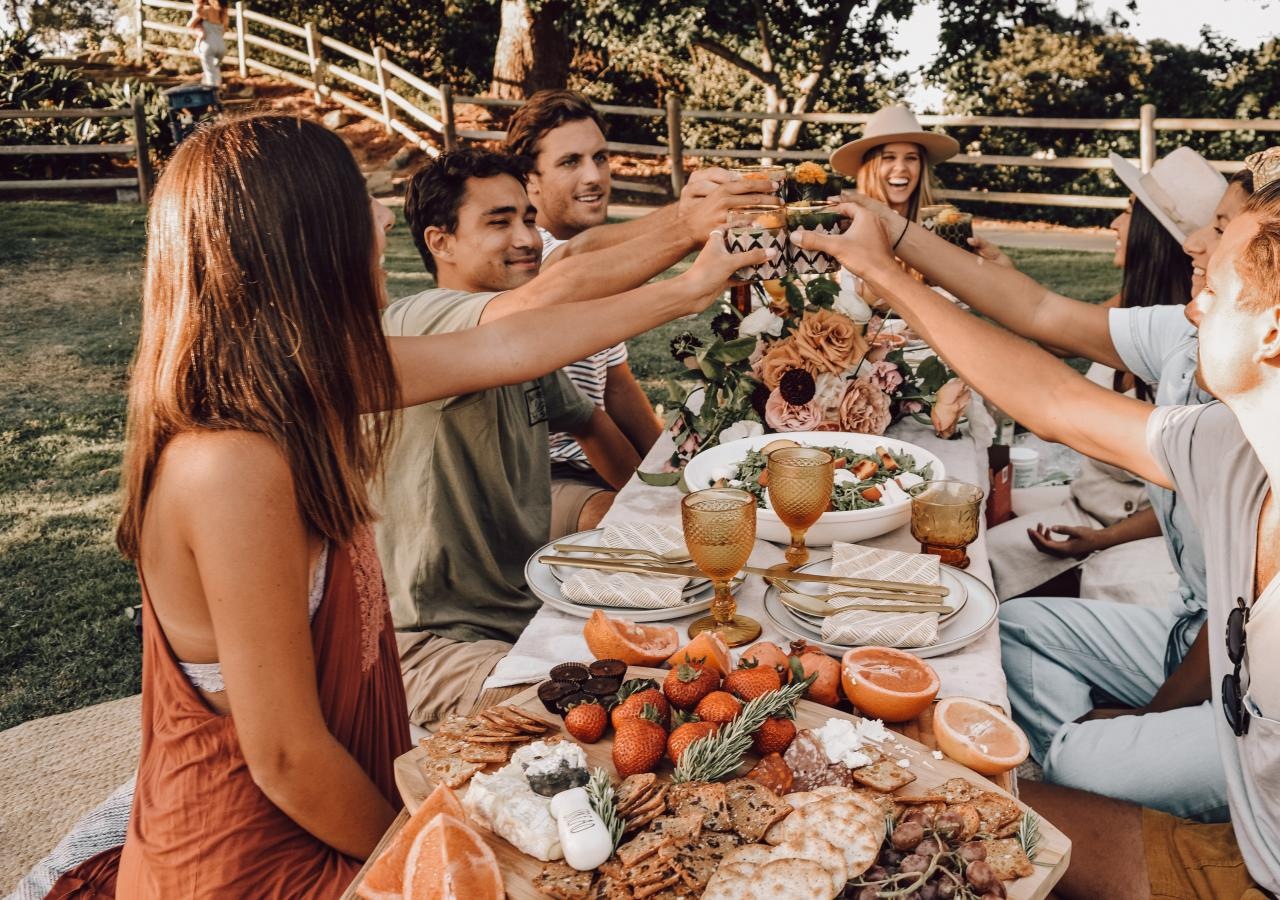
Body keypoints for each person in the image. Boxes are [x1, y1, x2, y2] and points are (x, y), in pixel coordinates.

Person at [52, 113, 762, 898]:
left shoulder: (313, 380)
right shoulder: (227, 466)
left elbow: (511, 348)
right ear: (303, 240)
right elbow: (286, 760)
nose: (386, 218)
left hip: (339, 806)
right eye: (363, 202)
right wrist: (440, 849)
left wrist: (692, 290)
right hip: (257, 859)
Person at [798, 177, 1280, 897]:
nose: (1192, 308)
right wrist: (885, 268)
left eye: (1213, 290)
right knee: (933, 805)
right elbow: (1055, 398)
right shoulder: (1239, 448)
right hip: (1254, 856)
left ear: (1275, 329)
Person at [381, 147, 770, 728]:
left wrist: (654, 511)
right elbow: (551, 290)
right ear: (440, 243)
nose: (526, 239)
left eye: (527, 219)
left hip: (527, 606)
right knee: (622, 716)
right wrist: (689, 254)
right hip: (432, 645)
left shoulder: (526, 346)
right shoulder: (421, 319)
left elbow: (590, 424)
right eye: (498, 222)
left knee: (716, 635)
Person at [986, 147, 1224, 606]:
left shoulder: (1192, 348)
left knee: (978, 571)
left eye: (1128, 212)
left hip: (1130, 537)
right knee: (972, 541)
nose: (1115, 225)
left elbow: (1195, 498)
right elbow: (1056, 330)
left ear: (1154, 237)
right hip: (1085, 507)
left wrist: (1102, 539)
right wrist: (1003, 276)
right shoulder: (1133, 306)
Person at [502, 90, 669, 535]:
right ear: (530, 180)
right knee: (631, 531)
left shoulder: (594, 267)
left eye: (600, 157)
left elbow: (616, 386)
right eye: (570, 162)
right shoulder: (532, 256)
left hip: (594, 466)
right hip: (539, 475)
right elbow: (572, 265)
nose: (594, 176)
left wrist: (676, 472)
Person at [830, 104, 958, 224]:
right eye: (889, 157)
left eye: (911, 158)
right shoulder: (845, 223)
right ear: (869, 168)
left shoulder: (945, 223)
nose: (901, 167)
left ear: (922, 166)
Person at [186, 0, 227, 88]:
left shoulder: (206, 10)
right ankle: (218, 90)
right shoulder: (223, 14)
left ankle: (212, 95)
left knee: (210, 72)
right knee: (216, 70)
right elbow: (224, 30)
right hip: (221, 46)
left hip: (208, 45)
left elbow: (190, 24)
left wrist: (196, 31)